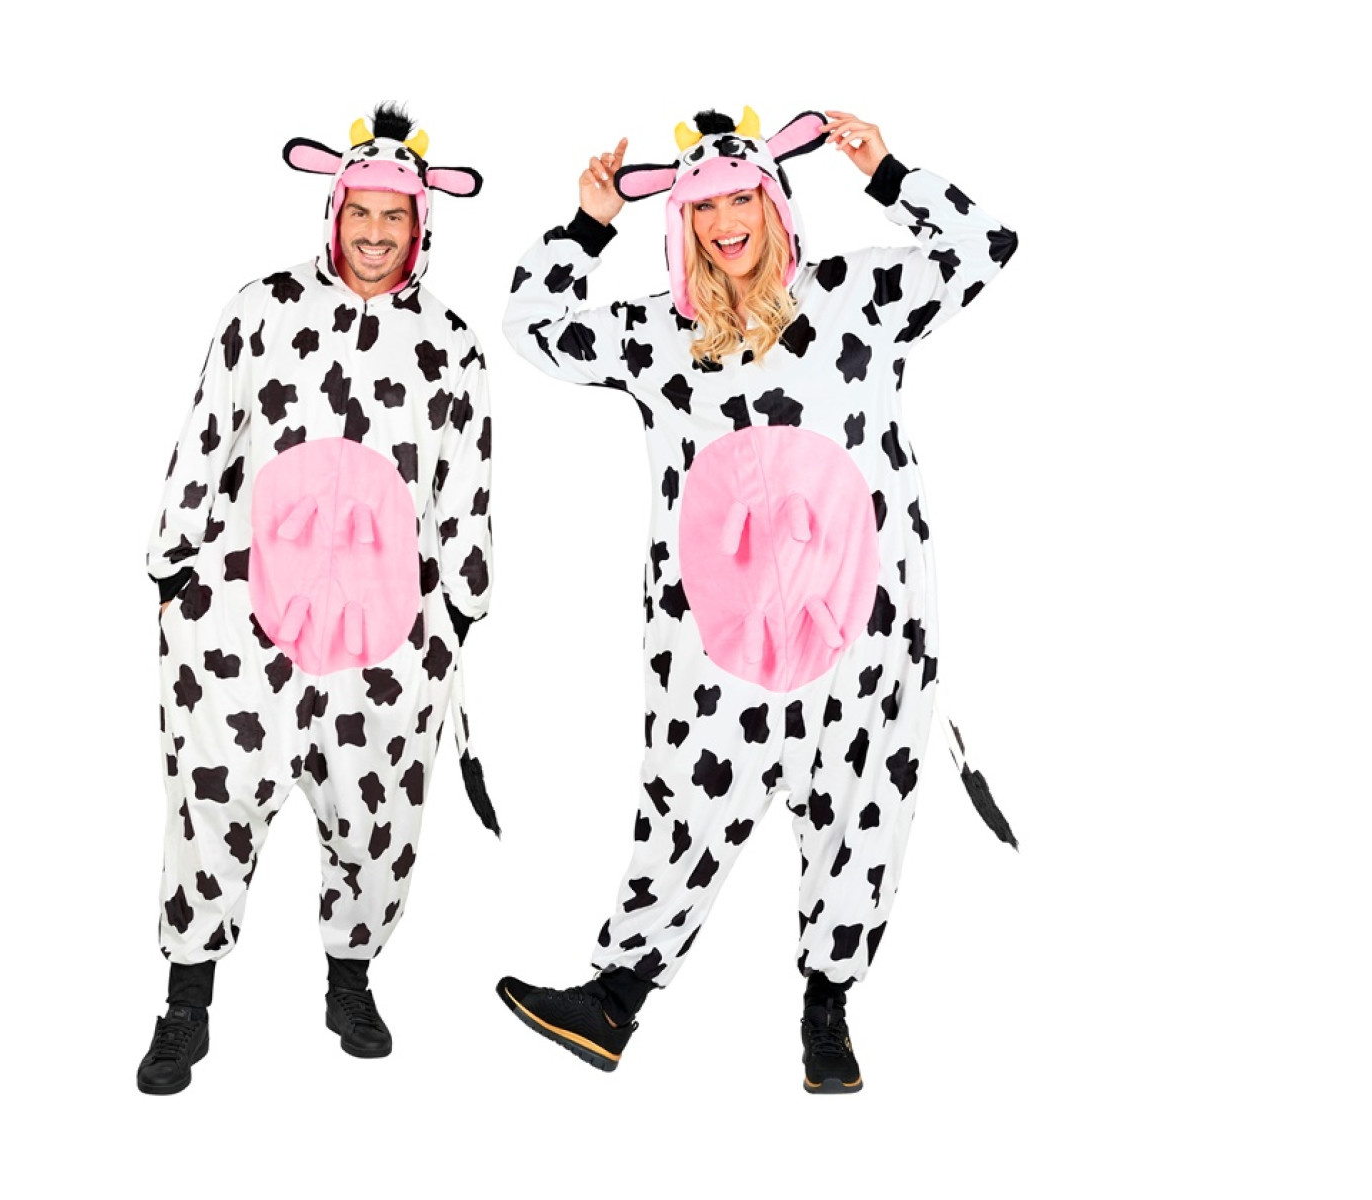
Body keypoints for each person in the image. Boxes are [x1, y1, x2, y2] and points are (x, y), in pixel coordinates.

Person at [495, 107, 1018, 1093]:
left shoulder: (856, 298)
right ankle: (614, 999)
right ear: (680, 222)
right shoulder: (663, 335)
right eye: (703, 207)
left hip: (863, 627)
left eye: (741, 197)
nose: (724, 221)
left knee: (862, 805)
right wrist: (588, 226)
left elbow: (984, 246)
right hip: (716, 643)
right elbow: (534, 327)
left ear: (774, 201)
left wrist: (887, 172)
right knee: (685, 802)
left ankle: (828, 1010)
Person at [137, 103, 496, 1095]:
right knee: (213, 802)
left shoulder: (450, 342)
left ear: (420, 224)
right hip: (246, 617)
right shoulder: (262, 310)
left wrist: (459, 610)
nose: (375, 234)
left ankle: (351, 980)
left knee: (377, 815)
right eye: (360, 213)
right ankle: (186, 1002)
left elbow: (466, 484)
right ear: (334, 212)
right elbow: (208, 436)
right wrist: (173, 569)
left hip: (386, 631)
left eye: (394, 217)